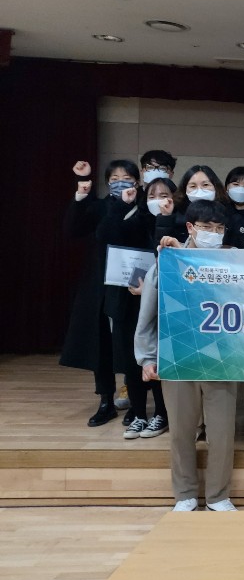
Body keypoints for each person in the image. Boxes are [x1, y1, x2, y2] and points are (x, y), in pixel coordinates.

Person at [135, 199, 238, 512]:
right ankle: (185, 494)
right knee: (181, 430)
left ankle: (218, 496)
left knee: (222, 432)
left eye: (219, 229)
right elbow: (147, 314)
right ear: (191, 227)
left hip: (222, 358)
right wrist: (146, 357)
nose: (213, 234)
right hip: (177, 355)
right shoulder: (167, 262)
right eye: (206, 228)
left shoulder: (235, 263)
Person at [61, 159, 141, 427]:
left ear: (137, 181)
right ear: (107, 183)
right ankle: (106, 399)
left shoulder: (143, 207)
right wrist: (81, 192)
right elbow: (72, 229)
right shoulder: (100, 206)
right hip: (100, 283)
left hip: (133, 284)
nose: (120, 182)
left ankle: (136, 401)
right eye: (114, 179)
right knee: (101, 342)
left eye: (126, 177)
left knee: (130, 342)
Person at [97, 175, 170, 440]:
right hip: (128, 300)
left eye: (164, 195)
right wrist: (122, 205)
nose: (157, 200)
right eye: (152, 195)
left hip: (162, 302)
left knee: (159, 359)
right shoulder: (133, 219)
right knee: (132, 359)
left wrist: (149, 288)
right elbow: (106, 238)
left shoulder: (176, 223)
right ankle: (139, 414)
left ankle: (161, 414)